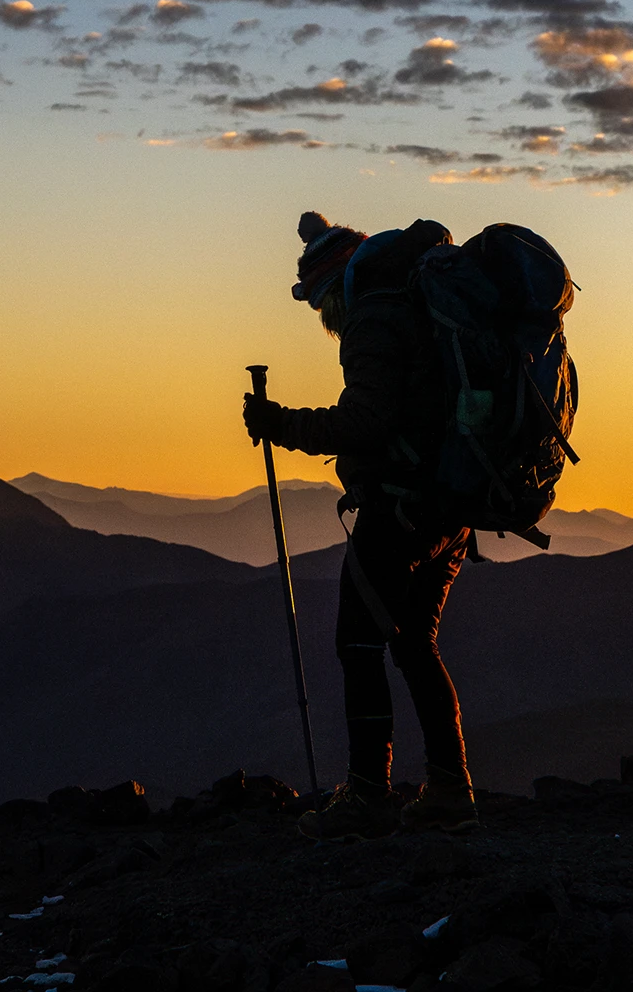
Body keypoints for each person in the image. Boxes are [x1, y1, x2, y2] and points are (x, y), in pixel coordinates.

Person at [242, 210, 478, 841]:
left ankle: (370, 796)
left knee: (358, 645)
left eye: (319, 302)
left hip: (399, 507)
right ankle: (451, 792)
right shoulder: (412, 305)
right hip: (449, 504)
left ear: (331, 286)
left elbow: (365, 422)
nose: (322, 318)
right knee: (414, 645)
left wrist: (282, 425)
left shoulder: (372, 318)